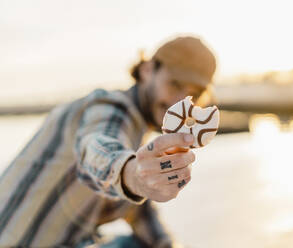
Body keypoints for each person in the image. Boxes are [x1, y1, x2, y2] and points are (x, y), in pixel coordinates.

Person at [0, 36, 217, 247]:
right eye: (174, 85)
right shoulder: (110, 107)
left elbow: (140, 212)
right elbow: (97, 148)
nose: (179, 102)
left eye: (194, 94)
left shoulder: (138, 136)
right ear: (147, 70)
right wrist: (133, 174)